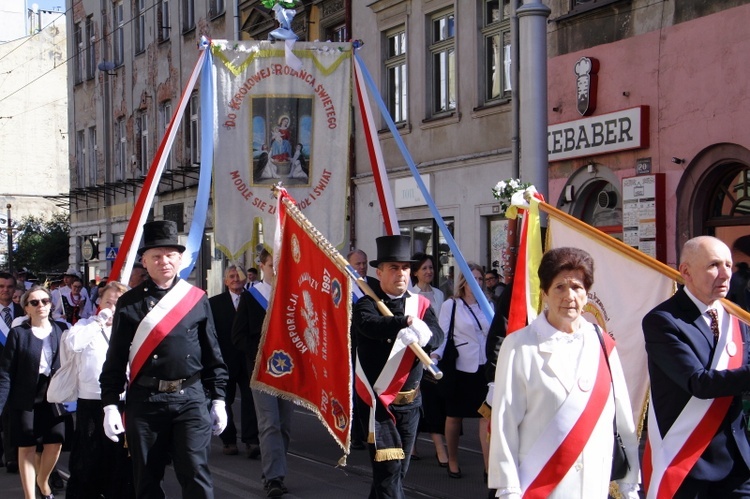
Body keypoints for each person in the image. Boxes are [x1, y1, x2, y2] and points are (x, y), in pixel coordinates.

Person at [489, 247, 640, 498]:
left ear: (587, 293)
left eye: (578, 287)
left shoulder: (602, 343)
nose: (570, 296)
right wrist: (508, 489)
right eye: (560, 287)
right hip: (542, 483)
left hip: (594, 483)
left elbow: (623, 416)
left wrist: (630, 482)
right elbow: (505, 423)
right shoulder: (519, 345)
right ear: (544, 292)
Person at [99, 220, 228, 498]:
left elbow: (212, 354)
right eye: (156, 256)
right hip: (146, 401)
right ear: (144, 262)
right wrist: (110, 403)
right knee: (146, 478)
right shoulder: (129, 302)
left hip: (190, 398)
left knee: (196, 473)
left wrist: (218, 399)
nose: (164, 261)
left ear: (180, 259)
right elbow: (116, 358)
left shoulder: (196, 298)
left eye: (170, 254)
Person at [643, 236, 750, 497]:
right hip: (690, 464)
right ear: (686, 272)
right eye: (714, 265)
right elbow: (698, 383)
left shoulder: (736, 317)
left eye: (729, 264)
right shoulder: (663, 321)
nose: (725, 274)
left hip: (738, 463)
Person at [352, 235, 444, 498]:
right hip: (378, 403)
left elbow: (437, 335)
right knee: (389, 476)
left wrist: (425, 334)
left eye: (405, 267)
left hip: (411, 404)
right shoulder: (367, 304)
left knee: (395, 474)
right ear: (379, 272)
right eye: (393, 268)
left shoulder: (421, 305)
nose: (400, 274)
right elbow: (368, 327)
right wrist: (403, 323)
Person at [63, 281, 134, 499]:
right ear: (98, 302)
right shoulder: (84, 325)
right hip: (91, 403)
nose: (112, 308)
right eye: (108, 302)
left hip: (122, 402)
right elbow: (73, 344)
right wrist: (99, 322)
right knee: (88, 462)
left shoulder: (131, 328)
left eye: (118, 303)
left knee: (119, 463)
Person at [232, 249, 293, 497]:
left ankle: (275, 468)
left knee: (285, 426)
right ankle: (273, 477)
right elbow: (237, 336)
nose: (276, 271)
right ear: (263, 266)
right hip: (261, 371)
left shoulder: (292, 296)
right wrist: (260, 353)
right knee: (270, 424)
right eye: (271, 266)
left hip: (288, 373)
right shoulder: (251, 298)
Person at [0, 285, 68, 499]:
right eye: (34, 302)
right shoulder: (18, 333)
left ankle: (43, 480)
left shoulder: (61, 329)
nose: (41, 306)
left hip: (54, 394)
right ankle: (30, 496)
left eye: (45, 301)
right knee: (27, 447)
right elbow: (5, 372)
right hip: (25, 396)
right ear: (26, 308)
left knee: (55, 441)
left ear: (51, 304)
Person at [435, 262, 492, 479]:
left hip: (484, 368)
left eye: (480, 279)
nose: (476, 283)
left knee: (486, 418)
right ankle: (452, 459)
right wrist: (434, 356)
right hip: (460, 367)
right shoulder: (452, 305)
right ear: (463, 282)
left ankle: (488, 467)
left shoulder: (488, 304)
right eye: (472, 279)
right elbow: (442, 334)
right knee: (454, 416)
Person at [209, 265, 260, 459]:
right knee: (224, 401)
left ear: (245, 279)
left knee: (250, 400)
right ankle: (228, 440)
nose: (235, 279)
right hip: (224, 361)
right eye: (231, 276)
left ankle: (251, 440)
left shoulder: (254, 300)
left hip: (248, 359)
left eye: (238, 275)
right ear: (225, 281)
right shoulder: (214, 303)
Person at [407, 253, 448, 466]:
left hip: (436, 355)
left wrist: (437, 353)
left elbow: (442, 326)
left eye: (431, 268)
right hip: (416, 356)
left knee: (434, 403)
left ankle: (438, 446)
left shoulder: (439, 295)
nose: (429, 272)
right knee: (415, 401)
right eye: (424, 268)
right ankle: (412, 444)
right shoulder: (410, 295)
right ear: (415, 272)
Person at [0, 272, 23, 473]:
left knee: (10, 414)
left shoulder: (22, 311)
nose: (5, 290)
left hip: (15, 372)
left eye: (9, 287)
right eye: (1, 286)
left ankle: (11, 457)